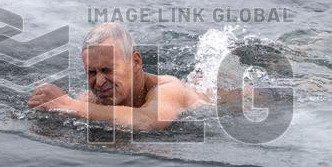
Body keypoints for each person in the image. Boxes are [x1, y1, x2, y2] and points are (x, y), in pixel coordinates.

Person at [27, 22, 206, 131]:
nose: (99, 82)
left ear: (135, 61)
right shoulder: (90, 101)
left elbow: (148, 121)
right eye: (91, 72)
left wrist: (66, 104)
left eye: (107, 70)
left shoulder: (169, 88)